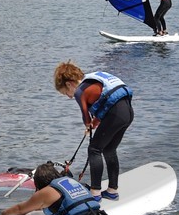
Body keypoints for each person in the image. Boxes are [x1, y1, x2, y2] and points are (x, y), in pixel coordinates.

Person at [54, 61, 133, 200]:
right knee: (109, 149)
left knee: (94, 150)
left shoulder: (80, 91)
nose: (69, 96)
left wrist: (88, 125)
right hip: (127, 113)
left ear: (69, 84)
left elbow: (86, 117)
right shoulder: (94, 78)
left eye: (66, 93)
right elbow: (107, 106)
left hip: (115, 114)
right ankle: (112, 191)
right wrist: (94, 124)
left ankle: (95, 193)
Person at [0, 160, 115, 215]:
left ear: (39, 183)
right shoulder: (71, 183)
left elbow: (20, 209)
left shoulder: (46, 191)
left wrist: (3, 214)